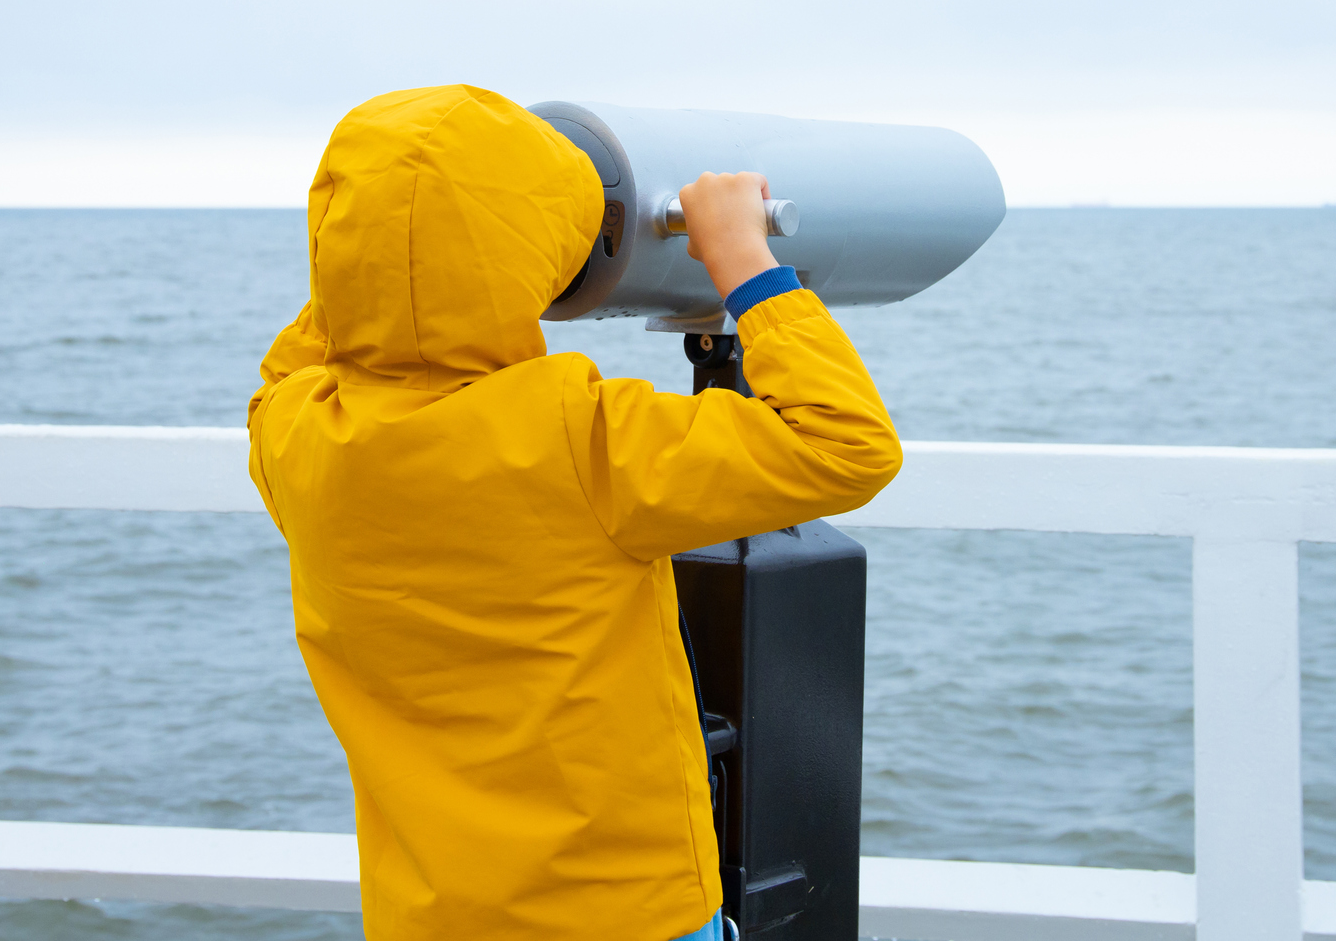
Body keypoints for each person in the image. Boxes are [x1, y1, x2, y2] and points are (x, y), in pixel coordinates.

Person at [247, 85, 902, 941]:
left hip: (429, 916)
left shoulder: (295, 433)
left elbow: (317, 341)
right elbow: (847, 444)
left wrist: (380, 240)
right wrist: (744, 260)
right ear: (535, 249)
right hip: (622, 909)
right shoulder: (579, 435)